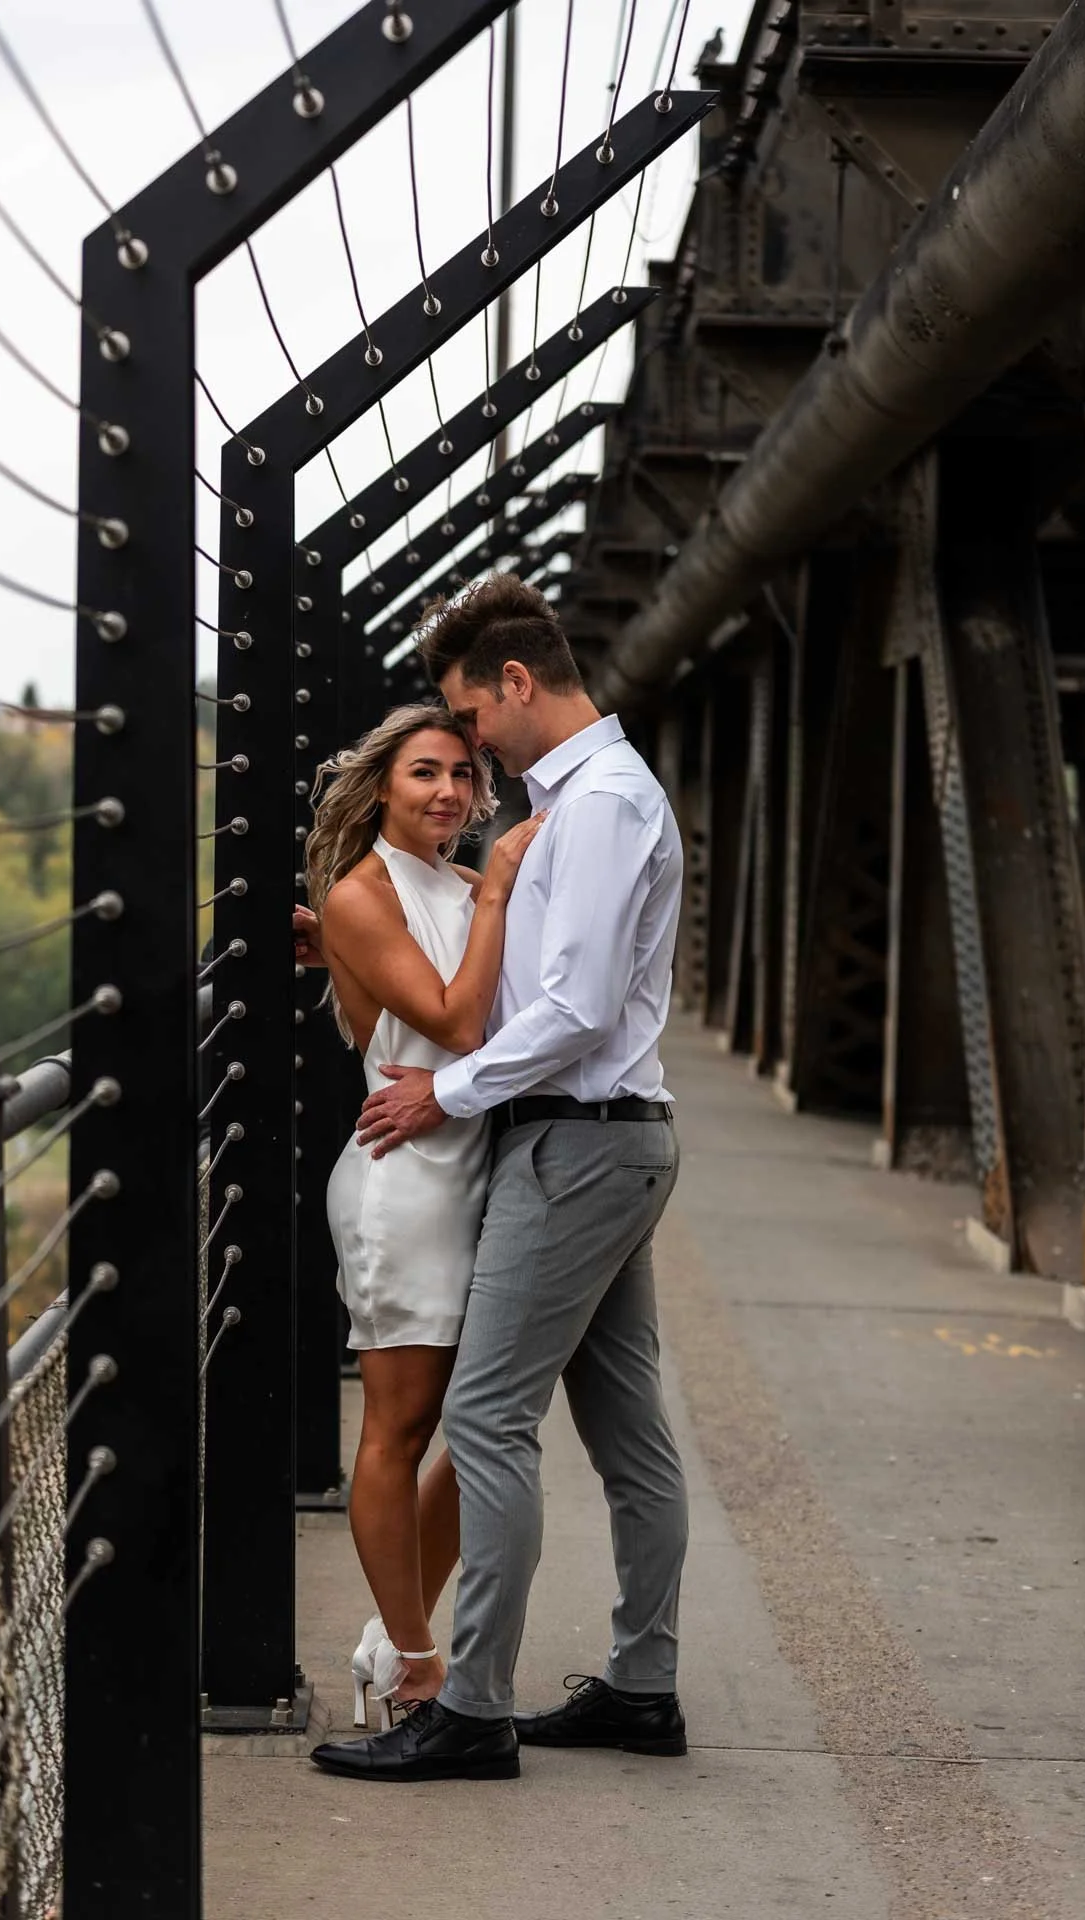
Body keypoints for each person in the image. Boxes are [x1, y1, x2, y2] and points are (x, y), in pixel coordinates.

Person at [310, 573, 688, 1785]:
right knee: (626, 1433)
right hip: (592, 1140)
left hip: (576, 1144)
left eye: (471, 724)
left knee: (479, 1419)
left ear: (516, 684)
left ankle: (467, 1709)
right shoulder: (571, 808)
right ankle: (640, 1686)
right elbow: (483, 980)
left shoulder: (600, 807)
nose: (470, 754)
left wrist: (447, 1091)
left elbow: (570, 1008)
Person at [302, 702, 544, 1731]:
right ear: (382, 787)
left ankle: (393, 1634)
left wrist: (481, 894)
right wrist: (495, 889)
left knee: (484, 1421)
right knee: (398, 1427)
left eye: (460, 774)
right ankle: (410, 1658)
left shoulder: (451, 885)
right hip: (400, 1179)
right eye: (423, 774)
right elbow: (451, 1017)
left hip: (474, 1167)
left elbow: (505, 1012)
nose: (447, 791)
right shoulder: (360, 893)